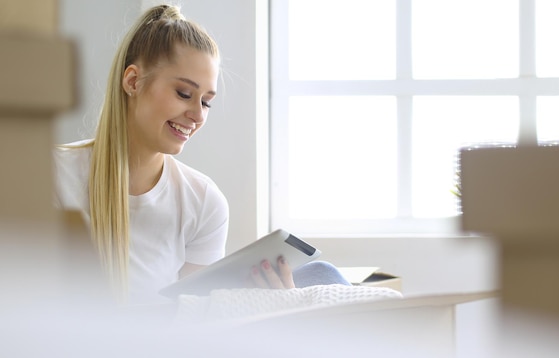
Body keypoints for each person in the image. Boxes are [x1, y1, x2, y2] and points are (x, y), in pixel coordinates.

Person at [54, 4, 348, 305]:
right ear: (132, 81)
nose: (196, 115)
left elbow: (194, 325)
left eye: (206, 102)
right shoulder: (51, 176)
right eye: (184, 94)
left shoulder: (204, 201)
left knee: (321, 276)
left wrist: (275, 306)